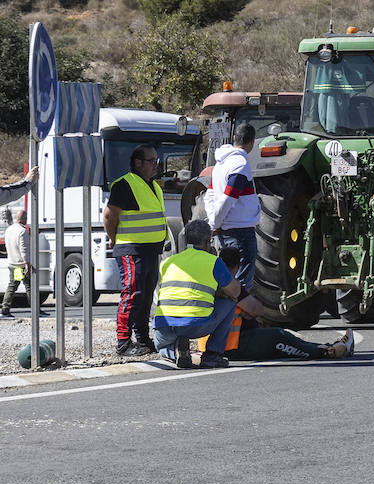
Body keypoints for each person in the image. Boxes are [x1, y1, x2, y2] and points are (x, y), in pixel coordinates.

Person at [198, 245, 354, 362]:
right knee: (278, 336)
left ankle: (326, 346)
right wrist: (246, 309)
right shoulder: (231, 285)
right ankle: (327, 352)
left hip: (212, 345)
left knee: (282, 345)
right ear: (238, 266)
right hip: (234, 344)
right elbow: (257, 309)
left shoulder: (208, 284)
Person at [103, 145, 170, 356]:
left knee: (146, 296)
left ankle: (142, 338)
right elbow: (109, 216)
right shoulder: (124, 185)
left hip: (151, 250)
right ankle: (123, 342)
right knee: (132, 294)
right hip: (131, 249)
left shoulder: (153, 186)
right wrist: (114, 239)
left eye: (156, 161)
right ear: (138, 163)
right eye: (152, 161)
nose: (156, 165)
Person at [152, 219, 243, 369]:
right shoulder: (213, 262)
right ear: (208, 242)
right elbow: (235, 292)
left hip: (165, 327)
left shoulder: (168, 262)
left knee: (161, 347)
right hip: (194, 326)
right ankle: (213, 354)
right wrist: (219, 292)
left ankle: (177, 353)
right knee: (230, 302)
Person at [205, 123, 260, 293]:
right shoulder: (240, 163)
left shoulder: (221, 163)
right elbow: (228, 198)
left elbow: (210, 195)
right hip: (240, 231)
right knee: (240, 285)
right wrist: (215, 223)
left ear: (234, 138)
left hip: (227, 230)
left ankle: (229, 318)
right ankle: (236, 318)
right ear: (252, 142)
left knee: (226, 281)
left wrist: (214, 221)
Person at [3, 204, 40, 318]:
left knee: (13, 286)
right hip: (20, 265)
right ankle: (35, 310)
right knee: (28, 286)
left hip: (12, 263)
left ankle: (5, 308)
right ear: (23, 219)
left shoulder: (9, 230)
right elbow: (24, 249)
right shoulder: (22, 231)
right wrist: (27, 263)